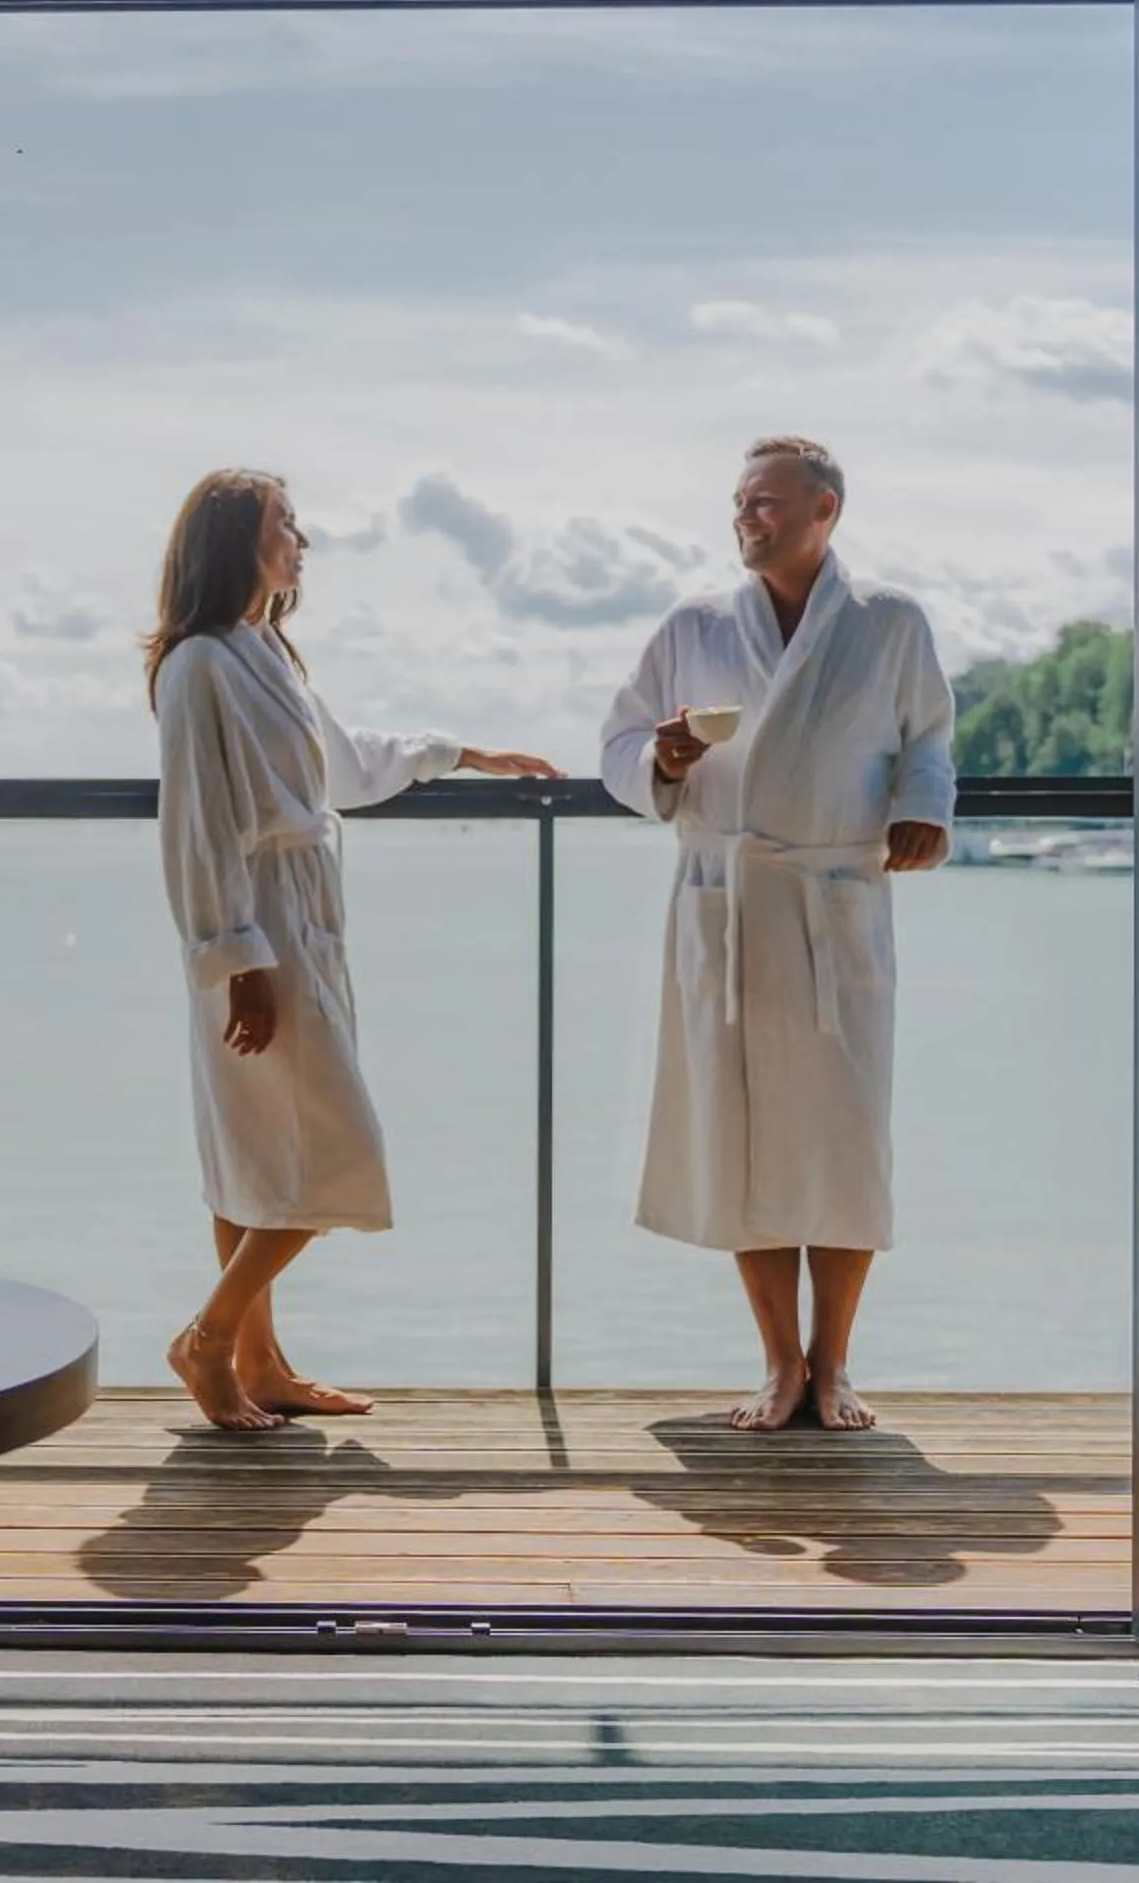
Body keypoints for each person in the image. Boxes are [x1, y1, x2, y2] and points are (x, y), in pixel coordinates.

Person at [148, 467, 562, 1431]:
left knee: (251, 1153)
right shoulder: (200, 665)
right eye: (284, 524)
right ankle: (207, 1341)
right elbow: (197, 826)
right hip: (255, 927)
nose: (303, 540)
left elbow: (347, 766)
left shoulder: (270, 654)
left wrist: (461, 753)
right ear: (236, 543)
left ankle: (261, 1363)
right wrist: (236, 960)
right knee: (334, 1147)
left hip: (296, 920)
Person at [601, 436, 956, 1433]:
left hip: (833, 896)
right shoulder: (695, 623)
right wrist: (661, 758)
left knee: (844, 1143)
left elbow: (929, 736)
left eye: (764, 504)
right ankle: (779, 1364)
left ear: (824, 510)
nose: (744, 519)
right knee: (742, 1135)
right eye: (739, 503)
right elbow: (621, 742)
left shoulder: (889, 620)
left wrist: (922, 807)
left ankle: (837, 1362)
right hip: (727, 901)